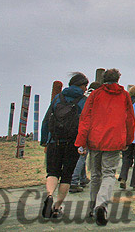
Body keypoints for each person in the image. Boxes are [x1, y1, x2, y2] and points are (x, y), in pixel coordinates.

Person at [75, 68, 134, 226]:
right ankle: (101, 205)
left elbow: (85, 118)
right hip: (114, 140)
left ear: (103, 80)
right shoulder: (124, 96)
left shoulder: (95, 95)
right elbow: (130, 120)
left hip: (95, 139)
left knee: (95, 175)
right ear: (118, 80)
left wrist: (81, 141)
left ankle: (93, 205)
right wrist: (128, 140)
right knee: (108, 174)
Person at [39, 72, 89, 219]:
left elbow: (47, 120)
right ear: (82, 86)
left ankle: (49, 196)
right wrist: (84, 144)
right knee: (66, 176)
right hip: (73, 143)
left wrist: (44, 141)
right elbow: (86, 124)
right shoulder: (84, 101)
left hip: (55, 141)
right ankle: (56, 207)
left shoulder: (58, 98)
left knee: (52, 172)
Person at [69, 81, 100, 193]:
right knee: (82, 157)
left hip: (72, 130)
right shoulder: (93, 99)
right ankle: (74, 181)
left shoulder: (83, 97)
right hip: (85, 131)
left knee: (81, 155)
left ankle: (82, 179)